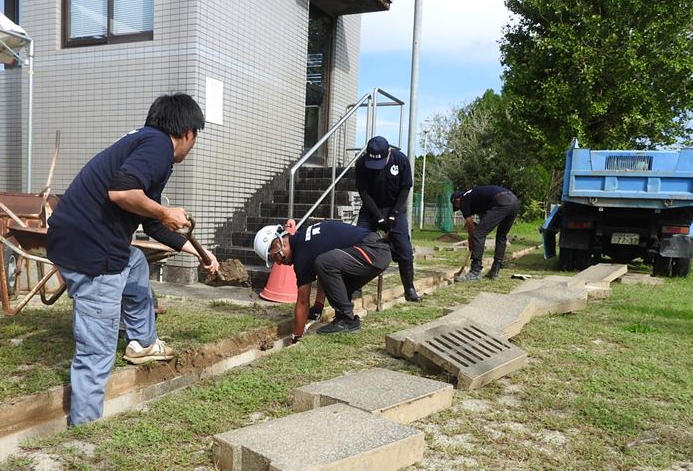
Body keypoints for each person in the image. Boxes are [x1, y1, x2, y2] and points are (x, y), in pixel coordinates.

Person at [46, 93, 219, 426]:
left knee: (134, 262)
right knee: (96, 353)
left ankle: (142, 342)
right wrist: (166, 209)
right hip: (92, 252)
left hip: (76, 239)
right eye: (195, 138)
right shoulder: (157, 147)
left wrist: (199, 251)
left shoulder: (143, 143)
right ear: (187, 133)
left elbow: (152, 222)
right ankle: (84, 429)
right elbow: (122, 193)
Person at [253, 219, 391, 340]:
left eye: (273, 257)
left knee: (324, 263)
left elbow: (302, 302)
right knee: (332, 279)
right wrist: (318, 306)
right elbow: (324, 273)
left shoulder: (302, 254)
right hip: (375, 250)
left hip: (373, 251)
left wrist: (296, 336)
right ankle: (344, 318)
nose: (277, 262)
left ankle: (347, 320)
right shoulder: (305, 240)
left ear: (278, 243)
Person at [354, 135, 421, 301]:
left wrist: (393, 215)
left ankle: (409, 289)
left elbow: (405, 188)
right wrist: (377, 217)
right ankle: (355, 286)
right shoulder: (362, 163)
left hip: (394, 208)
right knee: (358, 243)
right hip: (371, 209)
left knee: (404, 249)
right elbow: (364, 192)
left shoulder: (400, 160)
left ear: (389, 152)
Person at [451, 185, 520, 281]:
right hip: (514, 202)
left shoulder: (464, 199)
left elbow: (470, 224)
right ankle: (494, 271)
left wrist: (471, 240)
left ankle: (475, 271)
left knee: (478, 234)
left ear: (457, 200)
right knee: (501, 236)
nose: (459, 208)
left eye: (457, 206)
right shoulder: (477, 198)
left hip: (502, 201)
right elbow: (484, 220)